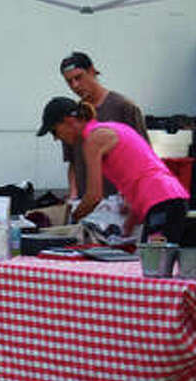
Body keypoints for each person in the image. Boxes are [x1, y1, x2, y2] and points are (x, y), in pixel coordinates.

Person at [38, 96, 188, 242]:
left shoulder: (94, 140)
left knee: (155, 264)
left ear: (68, 121)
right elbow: (141, 176)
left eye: (54, 131)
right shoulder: (112, 128)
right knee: (152, 263)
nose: (56, 138)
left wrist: (70, 223)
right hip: (168, 199)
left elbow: (93, 197)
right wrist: (128, 227)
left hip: (161, 202)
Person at [58, 51, 149, 200]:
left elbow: (144, 160)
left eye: (78, 77)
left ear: (92, 71)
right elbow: (73, 161)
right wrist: (73, 196)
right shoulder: (72, 116)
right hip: (87, 204)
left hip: (121, 203)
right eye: (69, 81)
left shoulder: (124, 107)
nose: (75, 85)